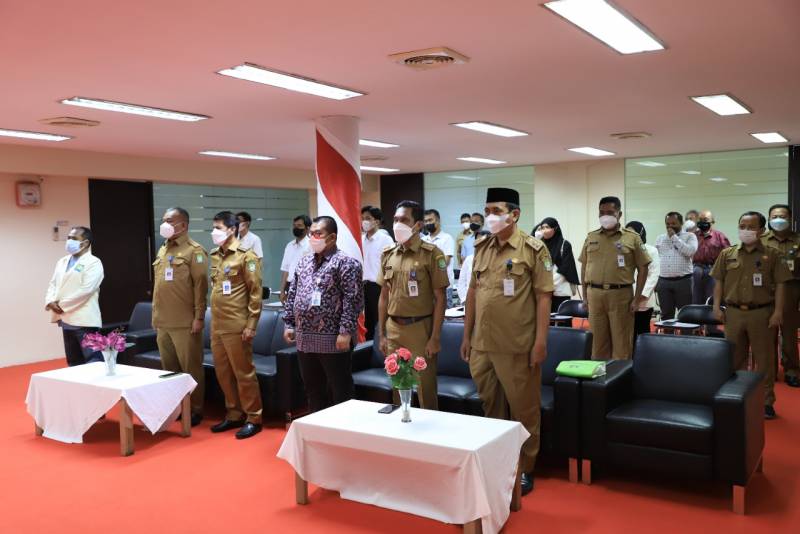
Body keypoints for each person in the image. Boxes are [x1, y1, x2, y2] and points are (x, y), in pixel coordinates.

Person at [460, 187, 553, 496]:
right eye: (487, 210)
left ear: (514, 214)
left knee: (524, 409)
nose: (490, 216)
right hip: (482, 344)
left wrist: (540, 342)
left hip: (517, 344)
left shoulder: (533, 249)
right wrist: (466, 335)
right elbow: (473, 293)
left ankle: (525, 467)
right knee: (492, 405)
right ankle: (500, 460)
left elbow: (543, 297)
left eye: (497, 211)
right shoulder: (482, 246)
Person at [712, 211, 790, 419]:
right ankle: (737, 398)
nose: (745, 231)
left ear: (761, 230)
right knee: (734, 357)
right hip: (734, 313)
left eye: (751, 227)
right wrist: (716, 307)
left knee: (764, 360)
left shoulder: (772, 255)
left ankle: (766, 402)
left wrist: (778, 312)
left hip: (761, 313)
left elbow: (781, 285)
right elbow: (718, 282)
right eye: (742, 226)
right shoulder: (727, 253)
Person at [283, 216, 364, 413]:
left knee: (340, 390)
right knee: (313, 390)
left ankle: (343, 428)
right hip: (304, 338)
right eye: (311, 233)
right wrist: (289, 323)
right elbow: (293, 293)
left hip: (334, 339)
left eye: (318, 234)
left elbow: (353, 300)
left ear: (332, 237)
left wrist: (345, 332)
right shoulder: (304, 262)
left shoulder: (346, 263)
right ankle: (317, 426)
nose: (313, 237)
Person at [377, 200, 449, 410]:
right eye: (395, 220)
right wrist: (381, 334)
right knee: (398, 383)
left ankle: (431, 427)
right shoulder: (388, 253)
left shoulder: (432, 254)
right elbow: (384, 296)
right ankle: (401, 423)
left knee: (425, 385)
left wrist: (435, 337)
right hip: (393, 328)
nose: (397, 224)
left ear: (417, 225)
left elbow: (441, 298)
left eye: (404, 220)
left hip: (420, 328)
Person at [208, 211, 263, 439]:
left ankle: (254, 417)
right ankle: (234, 413)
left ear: (232, 229)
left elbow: (255, 293)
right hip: (217, 324)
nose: (214, 232)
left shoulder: (245, 256)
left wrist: (251, 324)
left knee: (243, 373)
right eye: (214, 227)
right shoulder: (214, 255)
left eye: (219, 228)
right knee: (223, 373)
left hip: (237, 324)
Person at [152, 208, 208, 426]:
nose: (165, 224)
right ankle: (176, 406)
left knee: (190, 368)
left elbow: (201, 287)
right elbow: (159, 287)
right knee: (169, 369)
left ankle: (195, 409)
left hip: (185, 322)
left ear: (183, 225)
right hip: (163, 321)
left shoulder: (195, 251)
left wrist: (199, 317)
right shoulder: (163, 249)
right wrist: (155, 316)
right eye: (164, 220)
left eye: (170, 221)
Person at [579, 196, 651, 360]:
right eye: (602, 212)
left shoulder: (632, 238)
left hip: (621, 295)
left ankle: (620, 375)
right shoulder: (591, 237)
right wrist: (585, 296)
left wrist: (637, 298)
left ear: (619, 214)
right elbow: (584, 267)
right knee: (597, 344)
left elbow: (643, 268)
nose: (605, 216)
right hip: (595, 295)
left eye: (610, 212)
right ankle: (599, 375)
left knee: (622, 344)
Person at [45, 226, 104, 366]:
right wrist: (50, 301)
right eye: (68, 238)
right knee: (73, 362)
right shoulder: (62, 261)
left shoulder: (94, 262)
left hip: (85, 320)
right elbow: (53, 284)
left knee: (93, 361)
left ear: (86, 243)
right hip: (65, 319)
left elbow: (86, 290)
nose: (69, 241)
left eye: (74, 238)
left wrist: (61, 305)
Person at [762, 204, 800, 388]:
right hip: (765, 292)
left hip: (791, 292)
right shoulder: (761, 240)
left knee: (789, 334)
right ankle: (769, 370)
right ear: (769, 219)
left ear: (790, 219)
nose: (778, 219)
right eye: (775, 216)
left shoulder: (798, 240)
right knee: (767, 334)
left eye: (783, 216)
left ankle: (791, 370)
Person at [654, 212, 698, 320]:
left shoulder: (690, 236)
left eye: (673, 223)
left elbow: (690, 252)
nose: (670, 226)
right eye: (668, 224)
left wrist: (674, 237)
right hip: (663, 281)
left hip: (684, 281)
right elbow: (656, 259)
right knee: (666, 315)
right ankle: (667, 332)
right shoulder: (660, 238)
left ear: (681, 223)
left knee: (686, 315)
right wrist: (656, 280)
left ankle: (685, 332)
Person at [361, 206, 394, 340]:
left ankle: (380, 345)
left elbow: (390, 265)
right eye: (363, 218)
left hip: (379, 286)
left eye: (368, 218)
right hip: (362, 286)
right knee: (366, 321)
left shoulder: (385, 240)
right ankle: (367, 347)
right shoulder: (360, 239)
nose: (364, 221)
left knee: (378, 320)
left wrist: (389, 285)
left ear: (377, 221)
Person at [534, 217, 580, 313]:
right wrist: (536, 240)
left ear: (555, 228)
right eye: (542, 228)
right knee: (545, 318)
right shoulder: (540, 245)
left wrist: (548, 284)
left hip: (560, 291)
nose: (544, 230)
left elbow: (565, 268)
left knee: (560, 318)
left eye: (547, 227)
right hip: (543, 291)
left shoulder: (564, 244)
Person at [626, 221, 660, 341]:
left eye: (632, 233)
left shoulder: (651, 250)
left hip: (643, 299)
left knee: (642, 332)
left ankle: (643, 352)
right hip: (625, 297)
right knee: (627, 333)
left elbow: (654, 275)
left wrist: (641, 295)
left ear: (640, 233)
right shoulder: (623, 250)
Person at [693, 210, 730, 304]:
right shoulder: (693, 236)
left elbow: (728, 254)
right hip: (696, 270)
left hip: (713, 269)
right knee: (696, 299)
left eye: (705, 220)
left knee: (711, 299)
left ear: (712, 221)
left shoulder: (720, 236)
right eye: (700, 220)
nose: (702, 222)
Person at [422, 209, 456, 307]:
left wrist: (426, 265)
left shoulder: (447, 238)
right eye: (426, 221)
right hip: (427, 286)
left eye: (430, 220)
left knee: (445, 313)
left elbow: (445, 262)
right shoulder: (423, 240)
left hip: (444, 285)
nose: (428, 223)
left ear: (438, 221)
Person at [280, 215, 312, 303]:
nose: (296, 228)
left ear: (307, 228)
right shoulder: (289, 245)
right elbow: (285, 269)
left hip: (305, 287)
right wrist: (282, 291)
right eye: (294, 225)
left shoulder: (312, 245)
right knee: (289, 311)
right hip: (289, 285)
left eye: (299, 225)